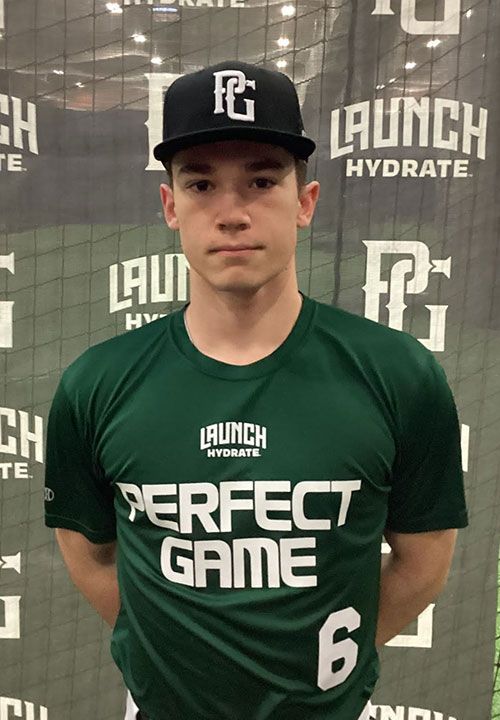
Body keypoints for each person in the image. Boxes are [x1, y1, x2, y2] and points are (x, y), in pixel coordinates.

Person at [44, 60, 469, 720]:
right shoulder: (96, 384)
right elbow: (91, 556)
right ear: (170, 206)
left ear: (306, 202)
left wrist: (320, 670)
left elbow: (422, 564)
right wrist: (172, 658)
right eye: (201, 183)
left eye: (262, 181)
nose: (232, 213)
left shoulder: (398, 373)